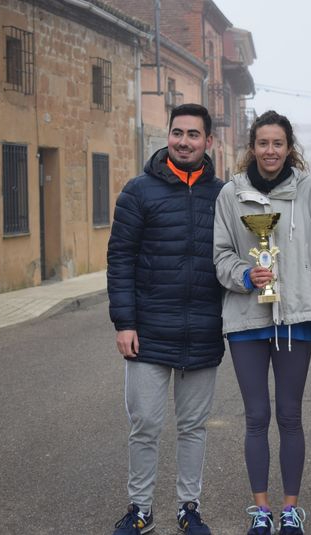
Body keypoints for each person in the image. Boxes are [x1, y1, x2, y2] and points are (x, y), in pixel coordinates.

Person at [107, 103, 224, 535]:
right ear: (168, 136)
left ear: (208, 141)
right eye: (178, 132)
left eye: (194, 135)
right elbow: (120, 259)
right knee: (146, 426)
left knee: (193, 427)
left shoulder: (223, 195)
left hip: (203, 331)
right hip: (148, 333)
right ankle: (140, 509)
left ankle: (188, 508)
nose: (184, 141)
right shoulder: (138, 191)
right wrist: (124, 323)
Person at [213, 110, 311, 535]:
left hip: (296, 317)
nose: (271, 151)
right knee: (256, 415)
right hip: (246, 319)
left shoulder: (309, 191)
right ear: (252, 147)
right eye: (263, 143)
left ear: (289, 147)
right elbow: (220, 254)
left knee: (291, 415)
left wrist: (301, 282)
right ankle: (261, 510)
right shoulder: (231, 194)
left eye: (278, 143)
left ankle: (291, 509)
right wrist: (246, 275)